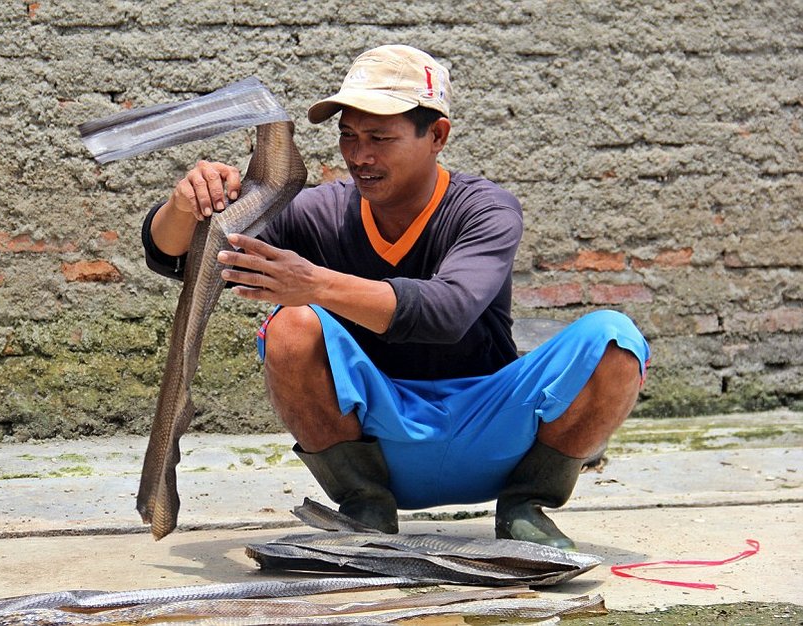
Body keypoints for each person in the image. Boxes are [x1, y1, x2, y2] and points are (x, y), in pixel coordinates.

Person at [141, 44, 650, 550]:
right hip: (381, 438)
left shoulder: (485, 209)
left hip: (493, 431)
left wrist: (316, 283)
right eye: (349, 135)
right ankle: (364, 504)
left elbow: (446, 311)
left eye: (380, 137)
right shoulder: (321, 211)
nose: (360, 155)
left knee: (615, 339)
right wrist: (186, 206)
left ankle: (526, 503)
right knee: (290, 325)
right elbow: (184, 260)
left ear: (438, 136)